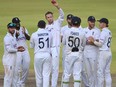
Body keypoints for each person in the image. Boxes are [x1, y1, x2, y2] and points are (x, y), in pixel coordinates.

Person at [30, 20, 57, 87]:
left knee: (38, 75)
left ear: (37, 26)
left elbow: (31, 46)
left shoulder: (34, 34)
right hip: (47, 55)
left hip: (38, 55)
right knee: (46, 75)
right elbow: (51, 45)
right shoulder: (49, 34)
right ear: (45, 26)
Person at [62, 16, 86, 87]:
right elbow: (83, 44)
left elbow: (63, 42)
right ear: (79, 24)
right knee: (77, 74)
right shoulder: (82, 33)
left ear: (71, 23)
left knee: (67, 74)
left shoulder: (66, 31)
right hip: (78, 54)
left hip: (69, 54)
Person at [45, 1, 64, 87]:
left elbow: (62, 15)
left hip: (56, 48)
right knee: (47, 68)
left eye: (51, 17)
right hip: (47, 49)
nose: (50, 18)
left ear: (53, 17)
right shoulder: (45, 27)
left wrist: (58, 7)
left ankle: (53, 85)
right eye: (48, 17)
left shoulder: (57, 23)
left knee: (55, 68)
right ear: (46, 18)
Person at [88, 18, 112, 87]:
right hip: (109, 52)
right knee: (107, 72)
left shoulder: (103, 32)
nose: (99, 24)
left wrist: (93, 41)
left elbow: (100, 44)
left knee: (100, 72)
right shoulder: (109, 32)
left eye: (100, 22)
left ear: (104, 24)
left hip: (103, 53)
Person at [2, 23, 25, 87]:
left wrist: (18, 47)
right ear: (8, 28)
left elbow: (14, 46)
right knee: (8, 78)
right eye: (11, 28)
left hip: (13, 60)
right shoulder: (7, 38)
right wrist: (18, 50)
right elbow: (9, 49)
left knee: (15, 77)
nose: (13, 29)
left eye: (13, 28)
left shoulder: (13, 36)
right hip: (8, 60)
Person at [12, 17, 30, 87]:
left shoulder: (23, 28)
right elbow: (13, 40)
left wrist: (24, 33)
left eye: (18, 22)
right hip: (17, 51)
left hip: (25, 51)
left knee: (26, 67)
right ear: (13, 24)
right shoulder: (12, 31)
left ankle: (22, 82)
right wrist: (16, 35)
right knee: (18, 68)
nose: (18, 24)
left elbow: (28, 38)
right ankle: (17, 83)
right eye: (16, 23)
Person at [83, 16, 100, 87]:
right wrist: (90, 41)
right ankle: (90, 85)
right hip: (85, 53)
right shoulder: (84, 30)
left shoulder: (97, 31)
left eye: (94, 22)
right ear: (88, 21)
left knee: (94, 71)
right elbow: (83, 41)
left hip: (94, 54)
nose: (93, 23)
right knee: (88, 72)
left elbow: (98, 43)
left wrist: (91, 41)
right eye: (91, 22)